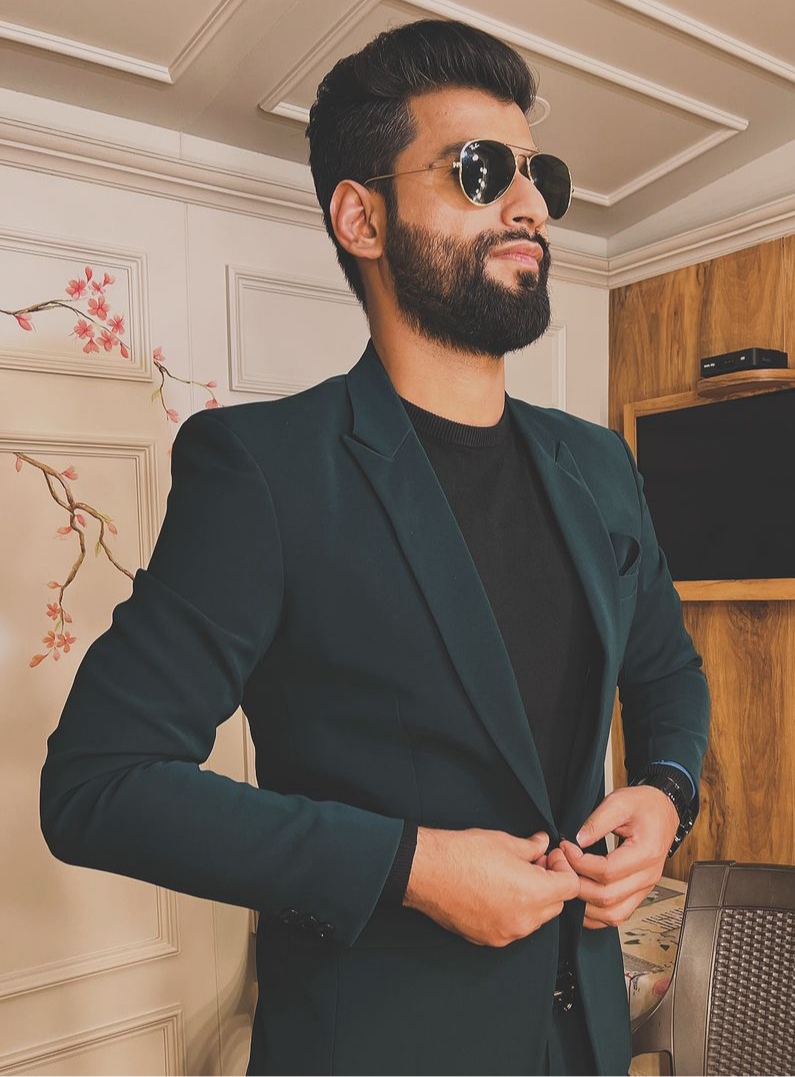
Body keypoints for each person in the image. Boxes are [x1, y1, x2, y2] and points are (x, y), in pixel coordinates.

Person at [39, 17, 710, 1076]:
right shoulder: (264, 470)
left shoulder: (598, 463)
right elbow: (98, 784)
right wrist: (410, 866)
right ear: (361, 216)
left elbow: (667, 668)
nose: (531, 206)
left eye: (539, 176)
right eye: (481, 171)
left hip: (583, 1032)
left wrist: (667, 792)